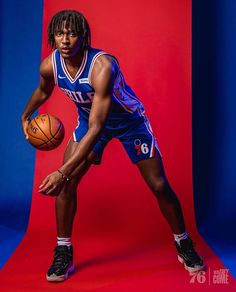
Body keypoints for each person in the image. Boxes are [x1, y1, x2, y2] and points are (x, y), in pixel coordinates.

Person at [21, 10, 205, 282]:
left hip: (129, 123)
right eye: (60, 33)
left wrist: (62, 171)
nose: (65, 39)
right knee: (68, 184)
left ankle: (184, 242)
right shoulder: (50, 65)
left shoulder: (102, 66)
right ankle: (63, 251)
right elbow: (44, 90)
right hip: (90, 120)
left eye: (72, 33)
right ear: (53, 37)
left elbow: (98, 128)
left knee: (158, 184)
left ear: (83, 36)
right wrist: (25, 115)